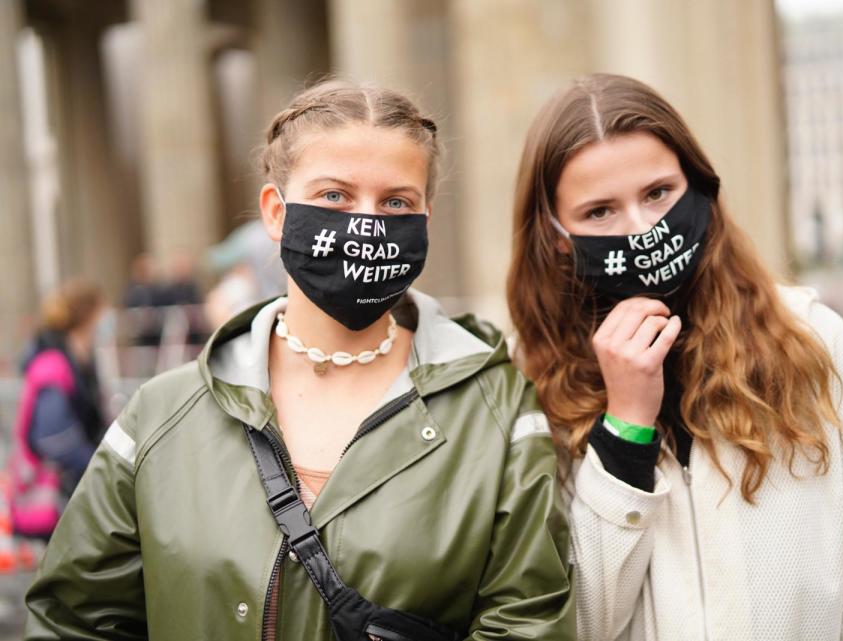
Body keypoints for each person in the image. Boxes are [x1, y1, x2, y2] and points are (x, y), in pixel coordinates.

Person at [24, 79, 574, 641]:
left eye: (396, 202)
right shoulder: (160, 415)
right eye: (334, 196)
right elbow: (74, 620)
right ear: (275, 213)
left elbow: (528, 618)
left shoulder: (498, 408)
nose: (367, 222)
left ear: (424, 219)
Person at [506, 73, 843, 640]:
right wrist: (625, 429)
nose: (642, 229)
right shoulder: (527, 388)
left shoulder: (812, 341)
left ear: (698, 188)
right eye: (600, 212)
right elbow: (577, 622)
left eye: (657, 193)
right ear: (556, 234)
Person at [10, 279, 107, 539]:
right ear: (88, 317)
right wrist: (101, 468)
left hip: (71, 493)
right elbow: (55, 437)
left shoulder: (78, 360)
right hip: (60, 496)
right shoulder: (54, 364)